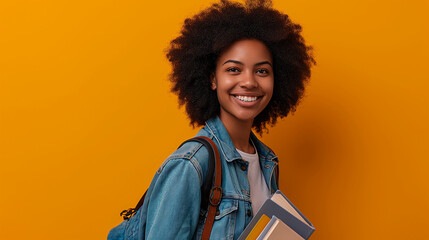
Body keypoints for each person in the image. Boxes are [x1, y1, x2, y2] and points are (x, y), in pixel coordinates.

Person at [144, 0, 314, 239]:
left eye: (262, 70)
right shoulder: (191, 165)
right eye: (234, 69)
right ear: (212, 79)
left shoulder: (267, 161)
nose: (249, 81)